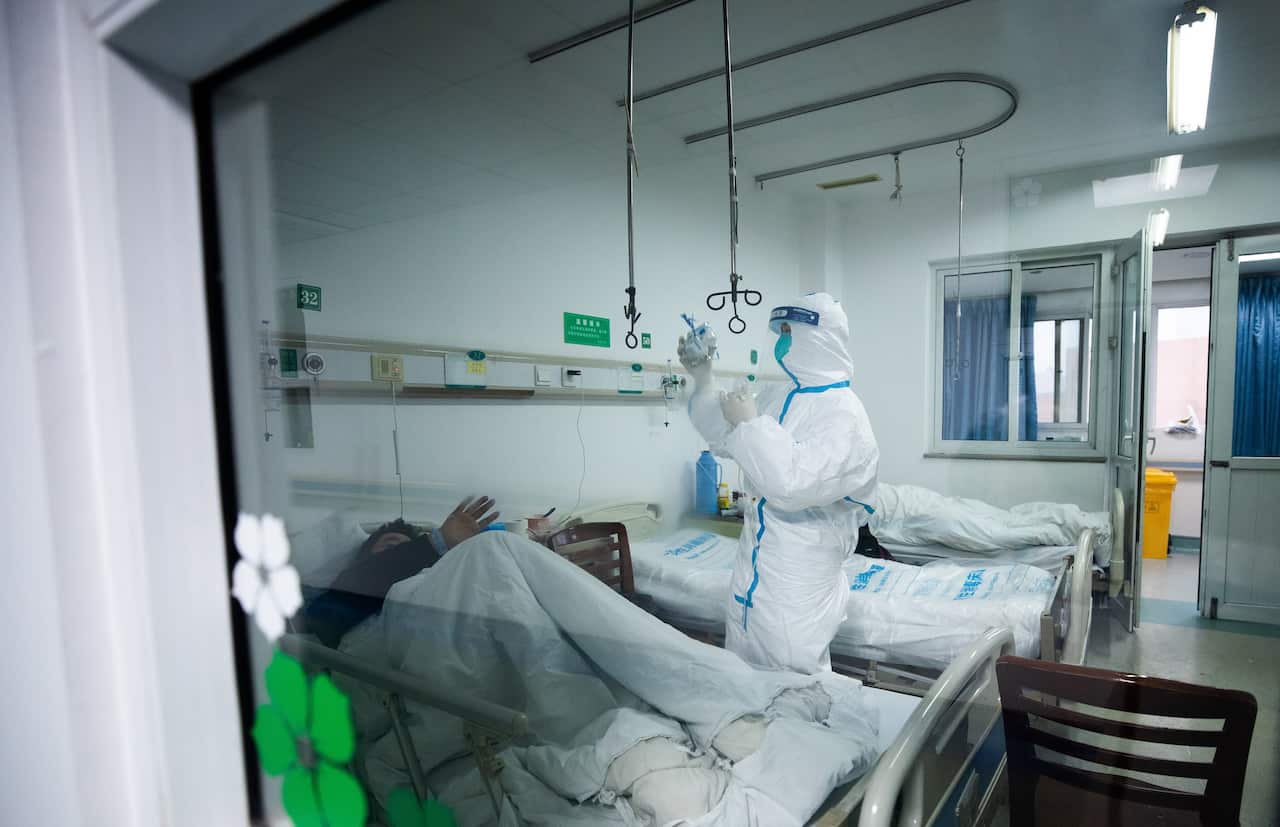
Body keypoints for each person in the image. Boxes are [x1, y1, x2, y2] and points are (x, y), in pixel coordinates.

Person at [679, 292, 879, 673]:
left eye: (790, 330)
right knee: (744, 663)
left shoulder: (845, 414)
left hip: (799, 572)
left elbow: (791, 486)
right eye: (781, 331)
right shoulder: (780, 395)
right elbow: (723, 435)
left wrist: (751, 424)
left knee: (792, 672)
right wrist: (703, 376)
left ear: (819, 337)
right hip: (755, 560)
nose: (783, 341)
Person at [301, 496, 500, 647]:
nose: (396, 553)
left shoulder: (436, 577)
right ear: (365, 558)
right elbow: (328, 613)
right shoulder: (345, 588)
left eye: (403, 548)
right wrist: (434, 543)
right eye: (389, 548)